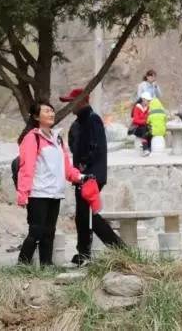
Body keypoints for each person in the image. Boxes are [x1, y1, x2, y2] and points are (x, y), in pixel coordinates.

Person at [60, 88, 125, 266]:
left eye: (71, 102)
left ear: (82, 101)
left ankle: (119, 249)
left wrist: (83, 165)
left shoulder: (92, 119)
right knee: (83, 216)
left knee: (88, 215)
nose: (69, 105)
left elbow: (94, 147)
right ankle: (84, 253)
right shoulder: (79, 122)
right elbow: (74, 145)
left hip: (91, 175)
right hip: (83, 176)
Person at [16, 101, 85, 266]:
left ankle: (46, 266)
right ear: (36, 116)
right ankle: (22, 265)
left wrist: (81, 177)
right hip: (38, 193)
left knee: (49, 232)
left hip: (55, 193)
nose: (51, 114)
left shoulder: (57, 139)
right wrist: (23, 193)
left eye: (52, 110)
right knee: (36, 231)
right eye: (46, 111)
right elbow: (26, 167)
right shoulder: (32, 138)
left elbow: (66, 167)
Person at [129, 91, 153, 156]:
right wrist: (144, 121)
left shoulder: (147, 108)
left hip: (143, 127)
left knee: (149, 131)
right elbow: (135, 120)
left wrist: (148, 115)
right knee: (144, 130)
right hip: (136, 128)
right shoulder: (137, 107)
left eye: (149, 101)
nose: (148, 102)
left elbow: (146, 119)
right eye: (148, 100)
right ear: (143, 99)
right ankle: (145, 149)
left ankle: (148, 149)